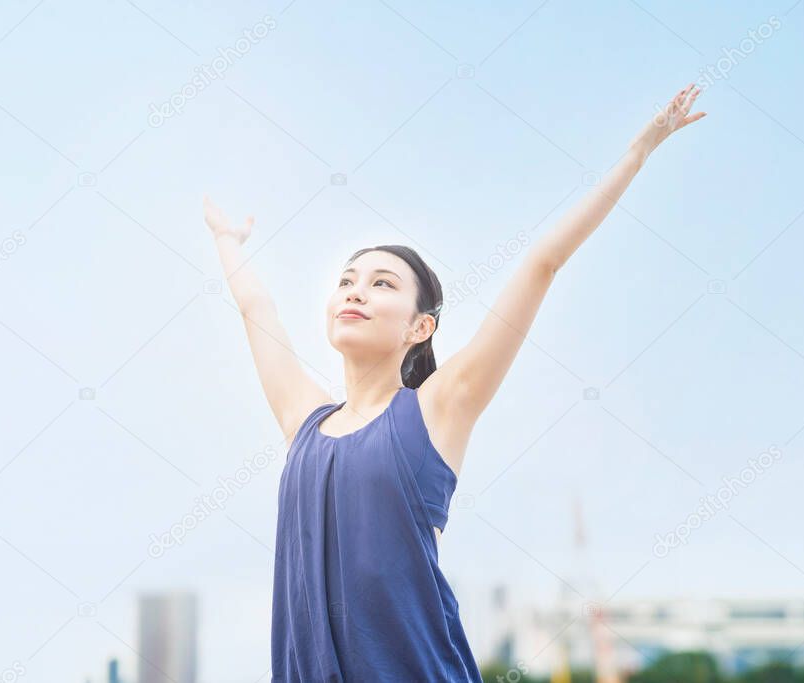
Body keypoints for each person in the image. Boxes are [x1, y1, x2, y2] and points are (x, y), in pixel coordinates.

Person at [204, 84, 706, 682]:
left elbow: (541, 264)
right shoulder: (304, 422)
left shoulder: (437, 409)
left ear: (421, 327)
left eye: (383, 283)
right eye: (347, 280)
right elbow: (257, 311)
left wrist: (638, 152)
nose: (356, 290)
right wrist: (228, 243)